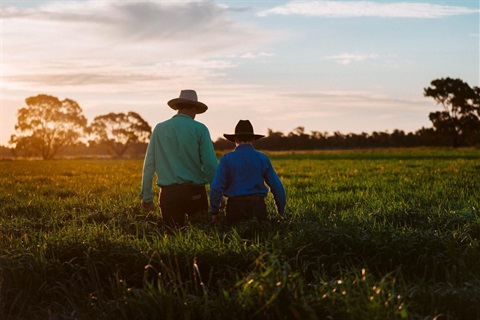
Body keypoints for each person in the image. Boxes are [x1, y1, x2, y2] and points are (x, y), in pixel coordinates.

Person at [140, 89, 218, 228]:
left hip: (169, 195)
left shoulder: (159, 128)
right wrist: (217, 195)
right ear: (194, 109)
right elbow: (210, 165)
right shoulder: (200, 129)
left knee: (172, 236)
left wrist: (147, 196)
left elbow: (149, 164)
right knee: (199, 236)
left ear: (178, 107)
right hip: (195, 193)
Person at [209, 120, 286, 225]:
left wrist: (214, 212)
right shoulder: (262, 158)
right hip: (258, 208)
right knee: (260, 238)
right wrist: (281, 212)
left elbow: (216, 187)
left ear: (235, 139)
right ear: (253, 139)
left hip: (235, 208)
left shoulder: (227, 158)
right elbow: (277, 187)